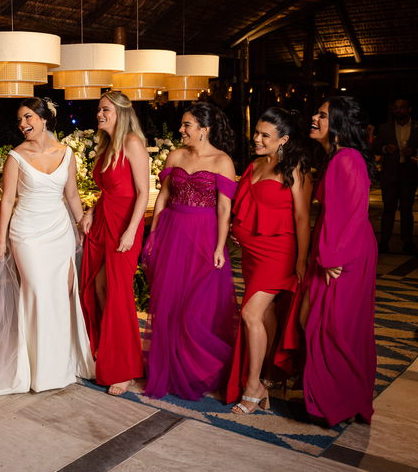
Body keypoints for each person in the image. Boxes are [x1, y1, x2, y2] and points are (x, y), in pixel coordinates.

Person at [0, 97, 94, 394]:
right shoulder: (15, 157)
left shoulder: (66, 153)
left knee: (61, 295)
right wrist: (1, 238)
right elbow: (7, 200)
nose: (23, 124)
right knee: (37, 292)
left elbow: (72, 195)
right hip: (27, 232)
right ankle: (37, 369)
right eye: (20, 120)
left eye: (28, 117)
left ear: (44, 118)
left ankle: (61, 366)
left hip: (60, 231)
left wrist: (81, 223)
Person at [141, 102, 237, 400]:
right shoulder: (176, 155)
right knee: (168, 303)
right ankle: (170, 369)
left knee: (196, 309)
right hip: (173, 234)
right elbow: (163, 197)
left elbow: (224, 208)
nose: (181, 130)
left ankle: (198, 369)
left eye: (187, 125)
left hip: (204, 236)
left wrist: (219, 246)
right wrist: (154, 234)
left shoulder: (222, 161)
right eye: (182, 124)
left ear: (204, 129)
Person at [226, 108, 312, 414]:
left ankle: (254, 386)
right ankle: (268, 373)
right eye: (257, 133)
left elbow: (302, 218)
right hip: (252, 253)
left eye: (266, 135)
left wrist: (301, 260)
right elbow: (247, 204)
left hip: (279, 253)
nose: (257, 139)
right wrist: (238, 228)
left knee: (250, 314)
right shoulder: (255, 164)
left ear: (283, 140)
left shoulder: (296, 168)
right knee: (266, 314)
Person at [302, 96, 377, 427]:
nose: (314, 118)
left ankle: (337, 401)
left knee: (336, 326)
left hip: (343, 252)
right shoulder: (336, 157)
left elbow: (353, 212)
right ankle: (337, 397)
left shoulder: (347, 158)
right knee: (325, 322)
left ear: (339, 123)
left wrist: (334, 257)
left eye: (322, 115)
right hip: (334, 246)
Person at [79, 91, 148, 396]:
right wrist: (91, 211)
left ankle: (125, 368)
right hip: (104, 220)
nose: (100, 114)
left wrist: (131, 231)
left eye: (106, 109)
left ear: (121, 113)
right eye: (99, 109)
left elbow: (142, 193)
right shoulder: (108, 146)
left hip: (125, 224)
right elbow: (108, 190)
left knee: (118, 292)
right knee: (98, 287)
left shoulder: (132, 143)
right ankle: (107, 350)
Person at [372, 98, 418, 253]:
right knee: (388, 209)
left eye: (402, 107)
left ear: (409, 109)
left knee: (407, 210)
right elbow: (375, 148)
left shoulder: (416, 127)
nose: (399, 110)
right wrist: (385, 149)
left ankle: (408, 242)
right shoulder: (385, 128)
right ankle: (384, 241)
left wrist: (414, 151)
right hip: (390, 175)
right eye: (396, 108)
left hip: (409, 175)